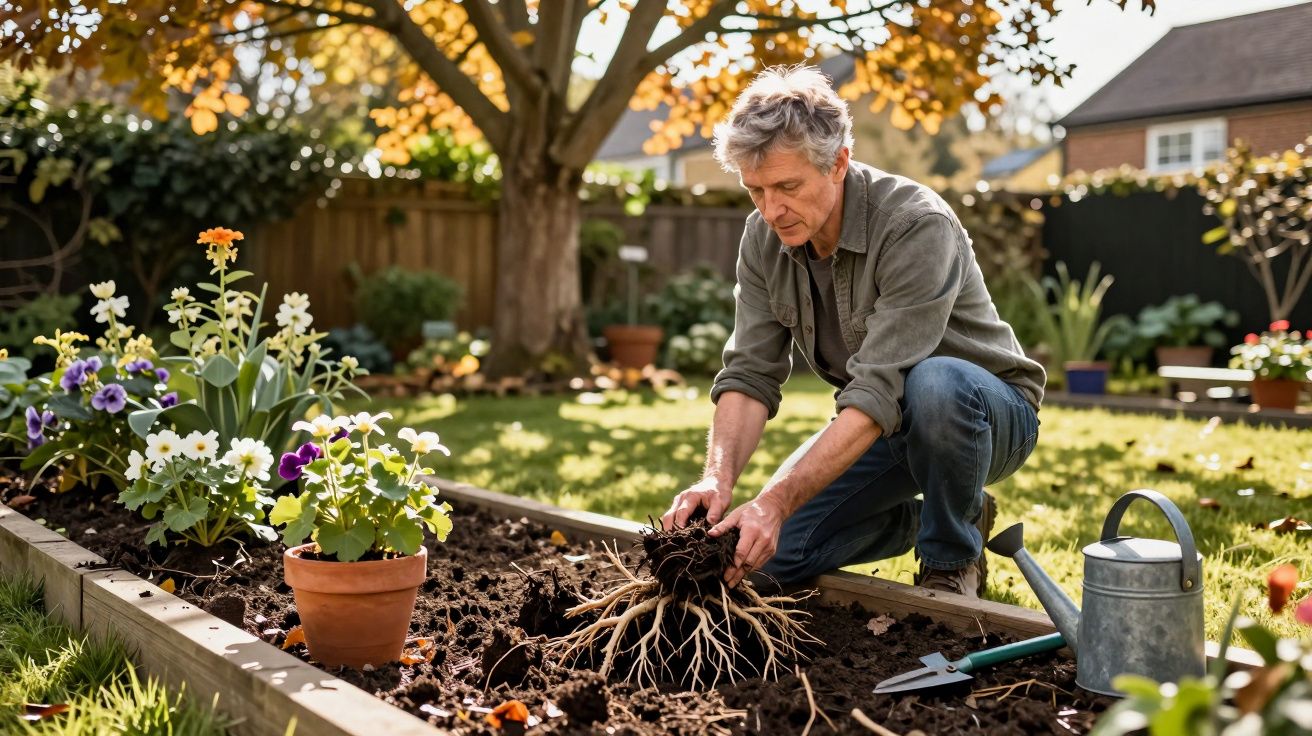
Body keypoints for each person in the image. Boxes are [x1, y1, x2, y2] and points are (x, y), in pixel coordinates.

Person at [659, 65, 1046, 599]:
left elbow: (880, 386)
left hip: (984, 414)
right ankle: (943, 517)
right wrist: (716, 479)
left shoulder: (914, 223)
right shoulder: (763, 237)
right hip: (884, 425)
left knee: (935, 383)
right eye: (756, 190)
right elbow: (749, 373)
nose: (772, 209)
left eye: (788, 186)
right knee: (769, 560)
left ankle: (951, 558)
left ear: (838, 162)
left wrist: (774, 499)